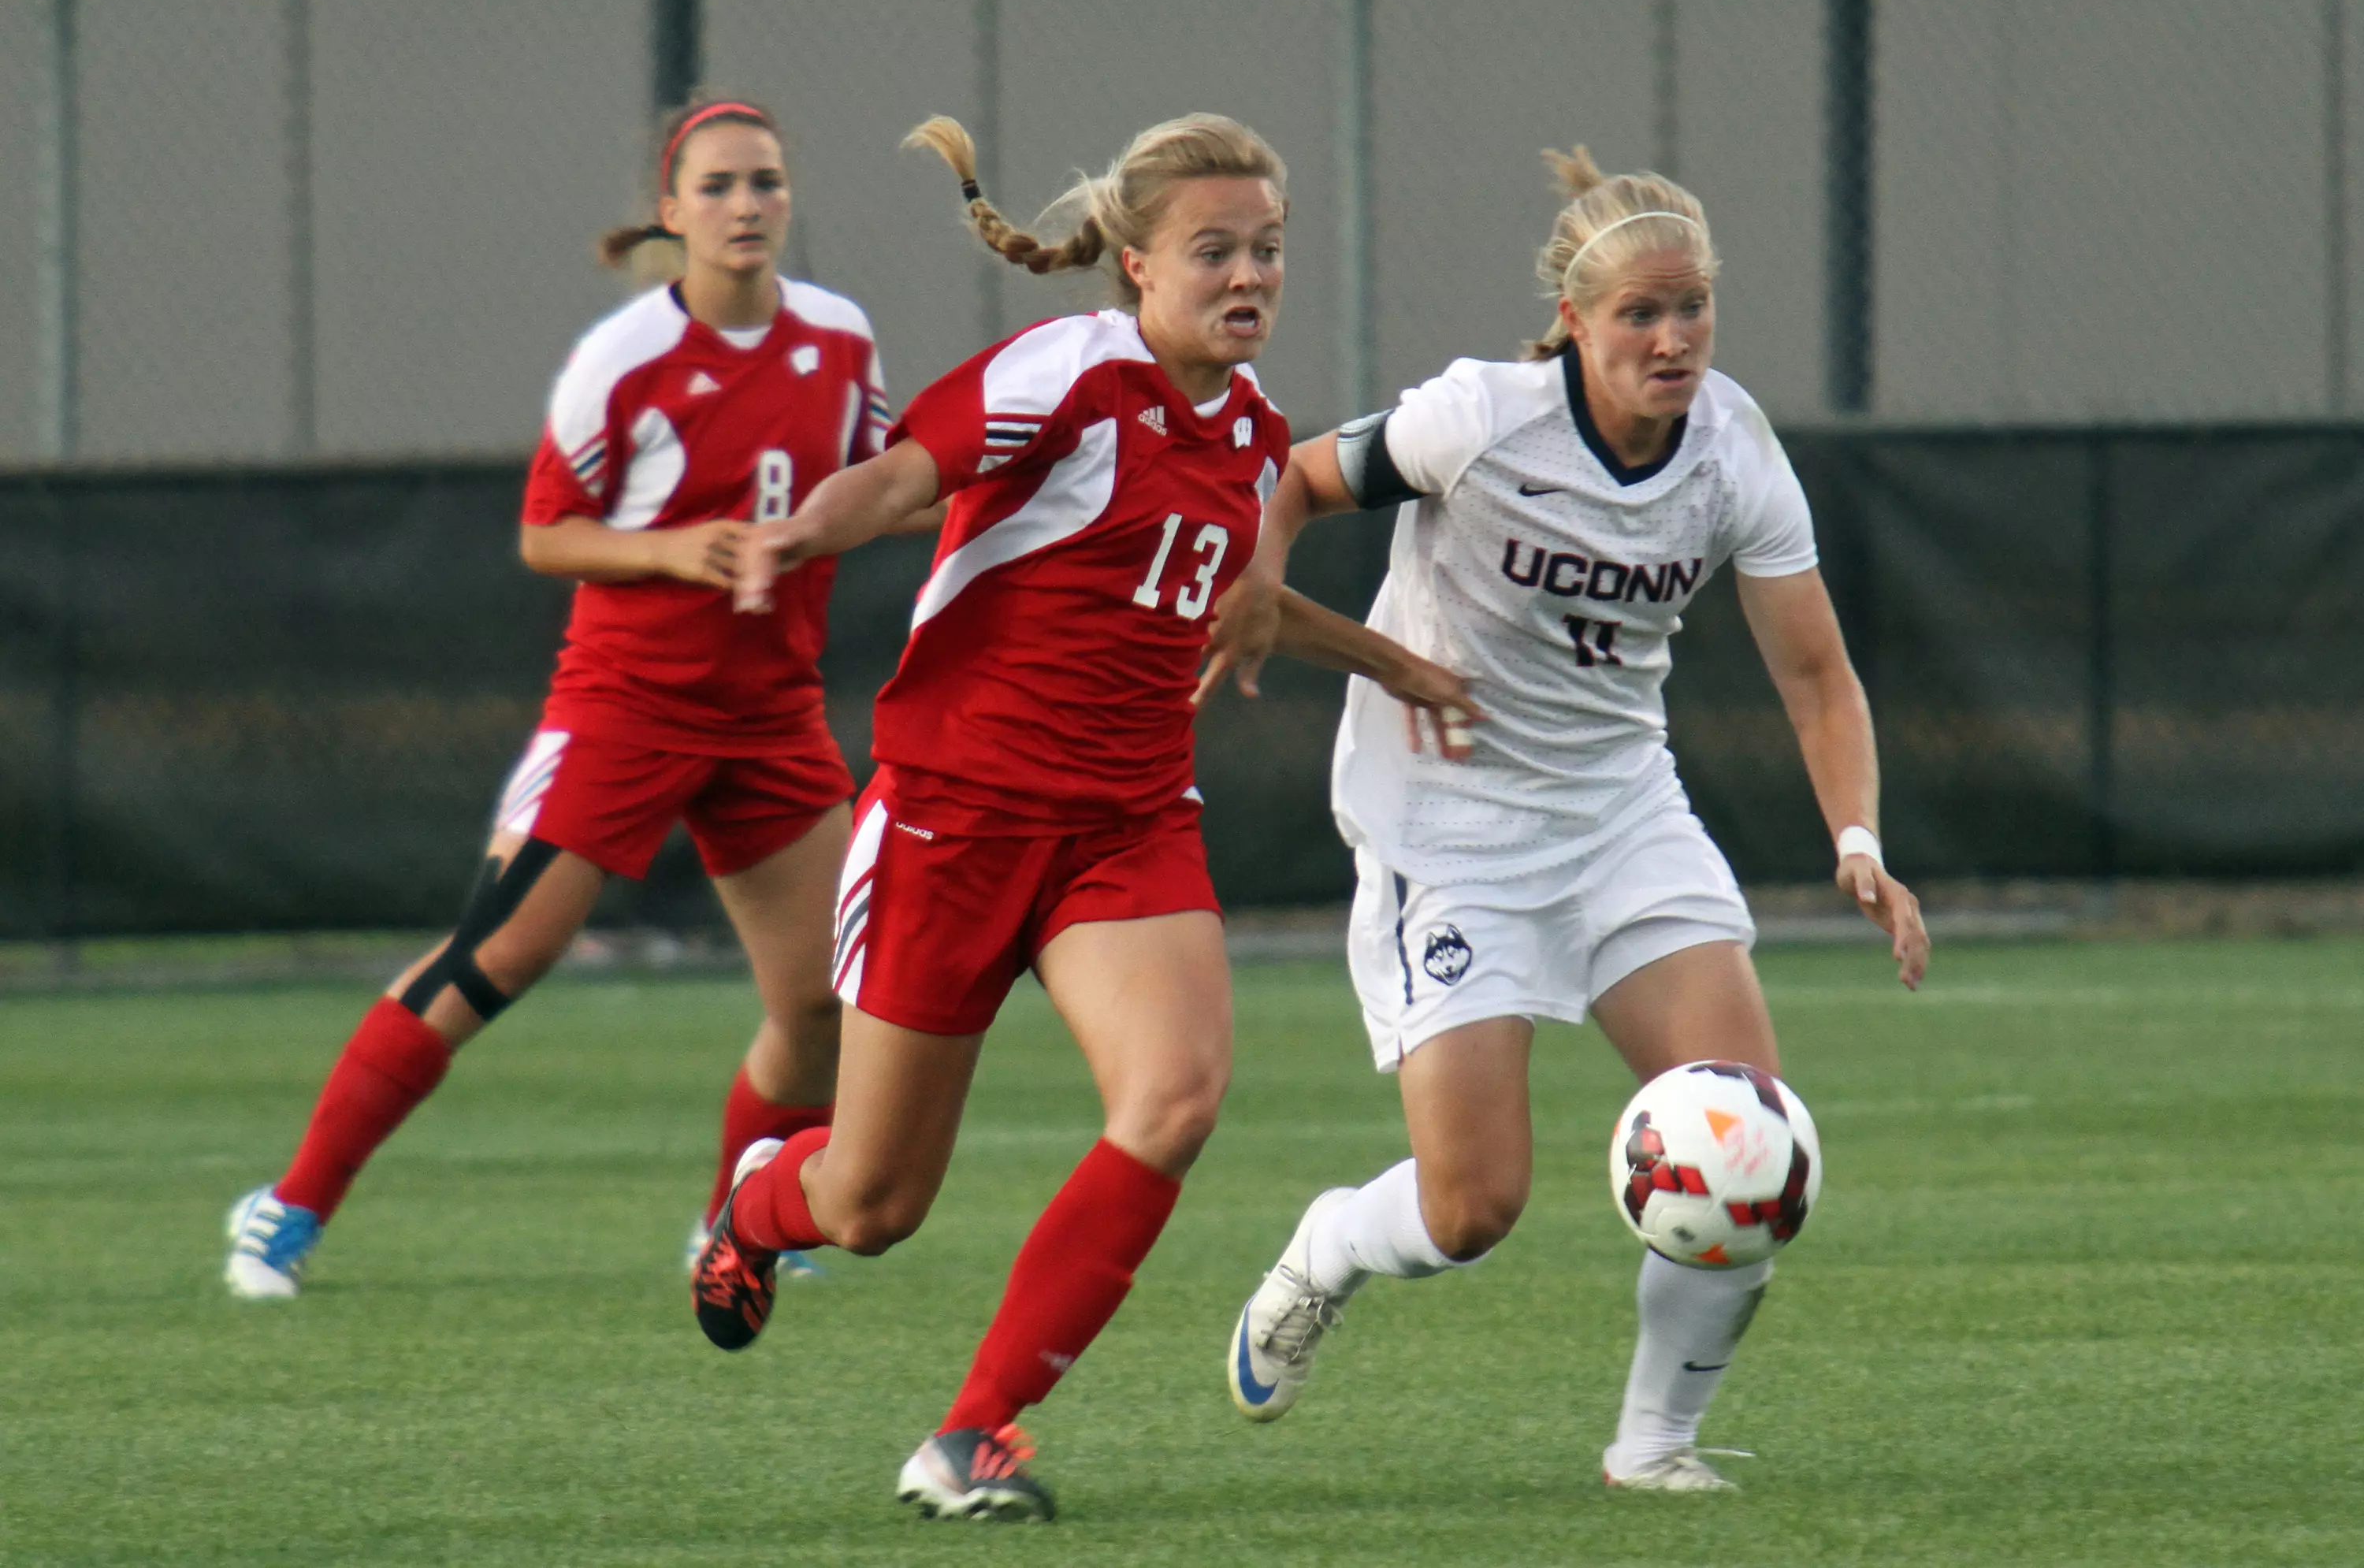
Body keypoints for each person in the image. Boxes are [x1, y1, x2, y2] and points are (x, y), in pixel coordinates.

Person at [692, 112, 1474, 1522]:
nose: (1250, 276)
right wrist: (805, 529)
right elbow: (902, 472)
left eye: (1269, 251)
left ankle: (974, 1433)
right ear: (1134, 264)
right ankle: (761, 1199)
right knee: (871, 1204)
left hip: (1124, 824)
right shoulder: (1069, 372)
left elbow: (1233, 598)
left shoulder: (1244, 433)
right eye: (1215, 250)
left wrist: (1392, 659)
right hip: (953, 818)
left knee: (1174, 1097)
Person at [1217, 143, 1931, 1490]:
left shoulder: (1733, 450)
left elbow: (1818, 674)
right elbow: (1298, 477)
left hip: (1618, 813)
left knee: (1749, 1141)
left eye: (1694, 308)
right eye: (1639, 316)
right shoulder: (1480, 416)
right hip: (1450, 820)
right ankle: (1329, 1246)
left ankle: (1654, 1445)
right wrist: (1261, 578)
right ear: (1575, 324)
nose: (1674, 341)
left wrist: (1859, 844)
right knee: (1472, 1205)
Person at [225, 100, 904, 1299]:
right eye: (720, 186)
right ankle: (287, 1208)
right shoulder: (625, 357)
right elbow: (547, 534)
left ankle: (730, 1235)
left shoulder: (841, 337)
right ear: (672, 209)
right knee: (502, 952)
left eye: (766, 183)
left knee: (820, 1001)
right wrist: (674, 551)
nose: (746, 205)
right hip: (625, 702)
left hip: (769, 711)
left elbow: (883, 478)